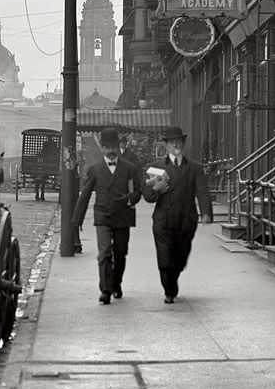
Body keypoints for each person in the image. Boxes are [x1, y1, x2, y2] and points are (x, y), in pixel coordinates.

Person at [73, 127, 143, 305]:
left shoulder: (129, 169)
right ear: (102, 148)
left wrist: (129, 199)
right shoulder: (94, 169)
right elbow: (85, 194)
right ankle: (105, 289)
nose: (111, 151)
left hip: (123, 216)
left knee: (120, 253)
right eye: (107, 147)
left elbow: (137, 191)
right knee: (104, 252)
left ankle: (116, 283)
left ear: (118, 146)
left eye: (114, 147)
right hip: (103, 215)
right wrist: (76, 220)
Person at [145, 126, 213, 303]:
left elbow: (202, 192)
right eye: (171, 142)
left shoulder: (194, 168)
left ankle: (173, 278)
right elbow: (147, 196)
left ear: (183, 143)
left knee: (180, 258)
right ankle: (169, 291)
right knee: (164, 257)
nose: (175, 145)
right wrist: (156, 189)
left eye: (178, 141)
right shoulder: (157, 167)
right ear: (166, 145)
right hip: (163, 220)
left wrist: (206, 212)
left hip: (185, 221)